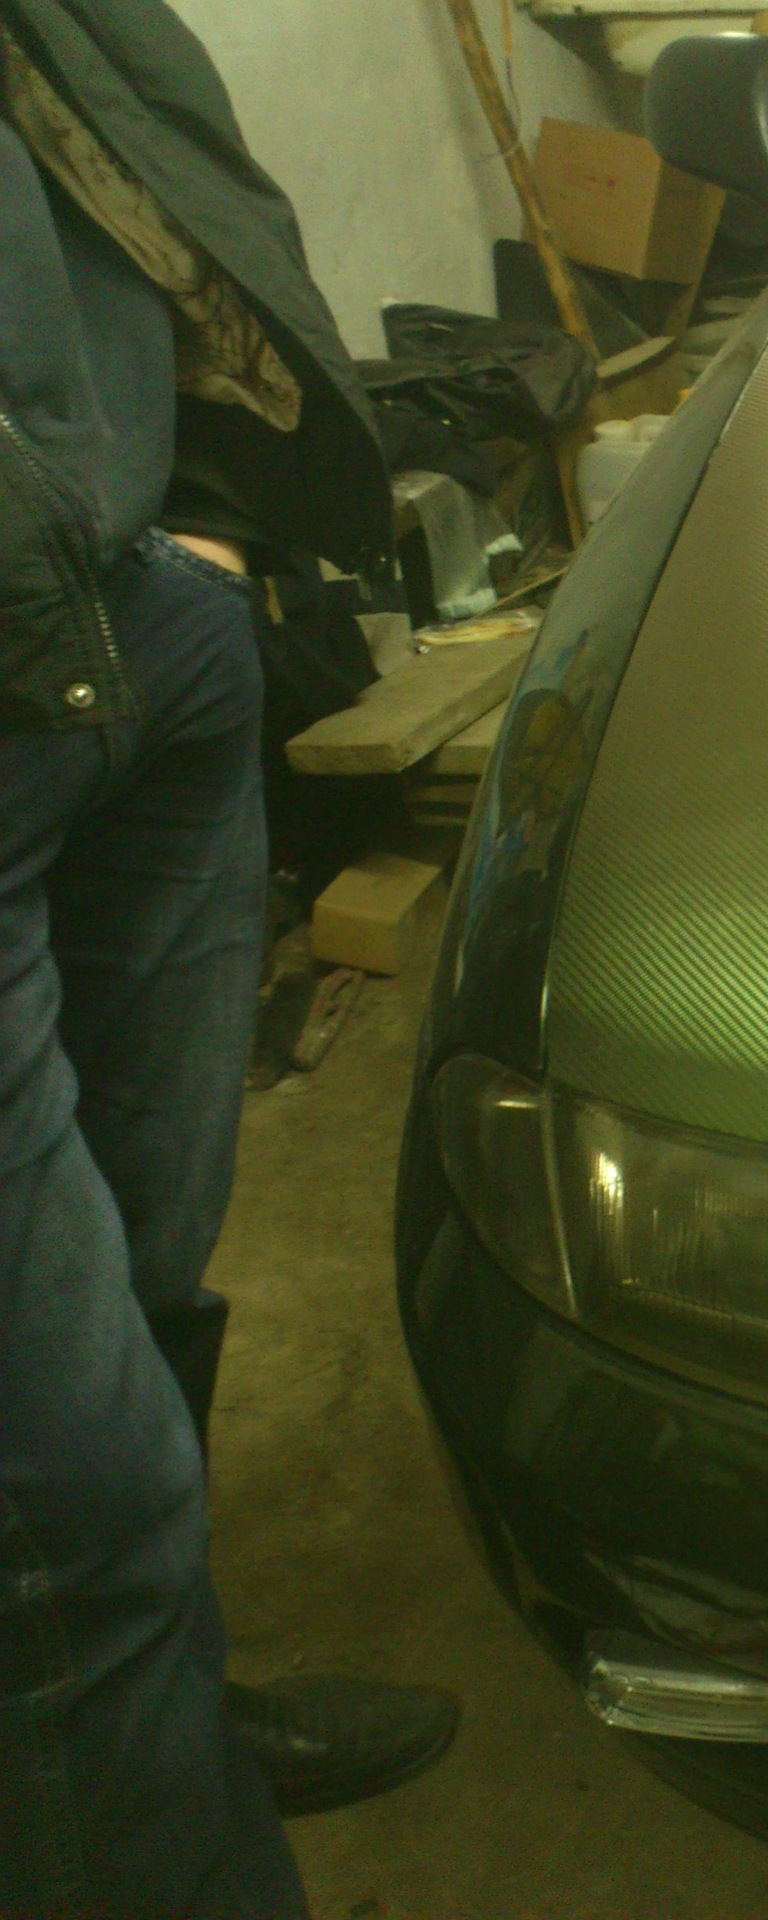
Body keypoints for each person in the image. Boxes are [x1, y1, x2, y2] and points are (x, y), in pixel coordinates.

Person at [0, 0, 459, 1910]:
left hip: (137, 622)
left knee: (143, 1278)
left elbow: (111, 99)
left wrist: (204, 519)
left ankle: (157, 1718)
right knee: (63, 1498)